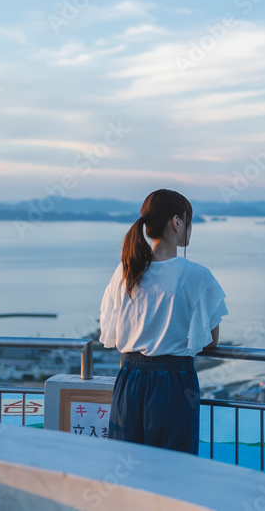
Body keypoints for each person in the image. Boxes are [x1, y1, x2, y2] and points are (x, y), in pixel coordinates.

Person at [98, 189, 228, 455]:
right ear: (177, 222)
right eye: (187, 221)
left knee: (126, 466)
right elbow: (212, 341)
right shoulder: (196, 275)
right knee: (172, 471)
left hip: (128, 381)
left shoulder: (125, 270)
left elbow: (109, 332)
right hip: (174, 385)